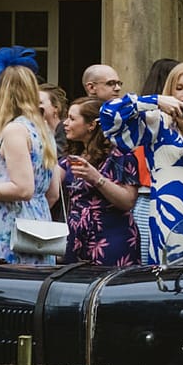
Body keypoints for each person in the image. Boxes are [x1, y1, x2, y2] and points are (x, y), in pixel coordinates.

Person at [101, 88, 183, 266]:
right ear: (170, 90)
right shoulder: (157, 121)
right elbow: (109, 116)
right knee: (169, 275)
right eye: (179, 88)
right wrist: (154, 100)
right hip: (169, 210)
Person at [0, 59, 64, 265]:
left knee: (8, 286)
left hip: (10, 225)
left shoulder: (15, 130)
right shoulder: (42, 130)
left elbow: (23, 189)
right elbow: (52, 192)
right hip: (39, 223)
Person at [61, 97, 140, 266]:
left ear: (91, 125)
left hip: (110, 238)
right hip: (77, 237)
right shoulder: (74, 154)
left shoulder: (120, 155)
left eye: (72, 118)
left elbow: (128, 201)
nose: (65, 123)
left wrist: (96, 178)